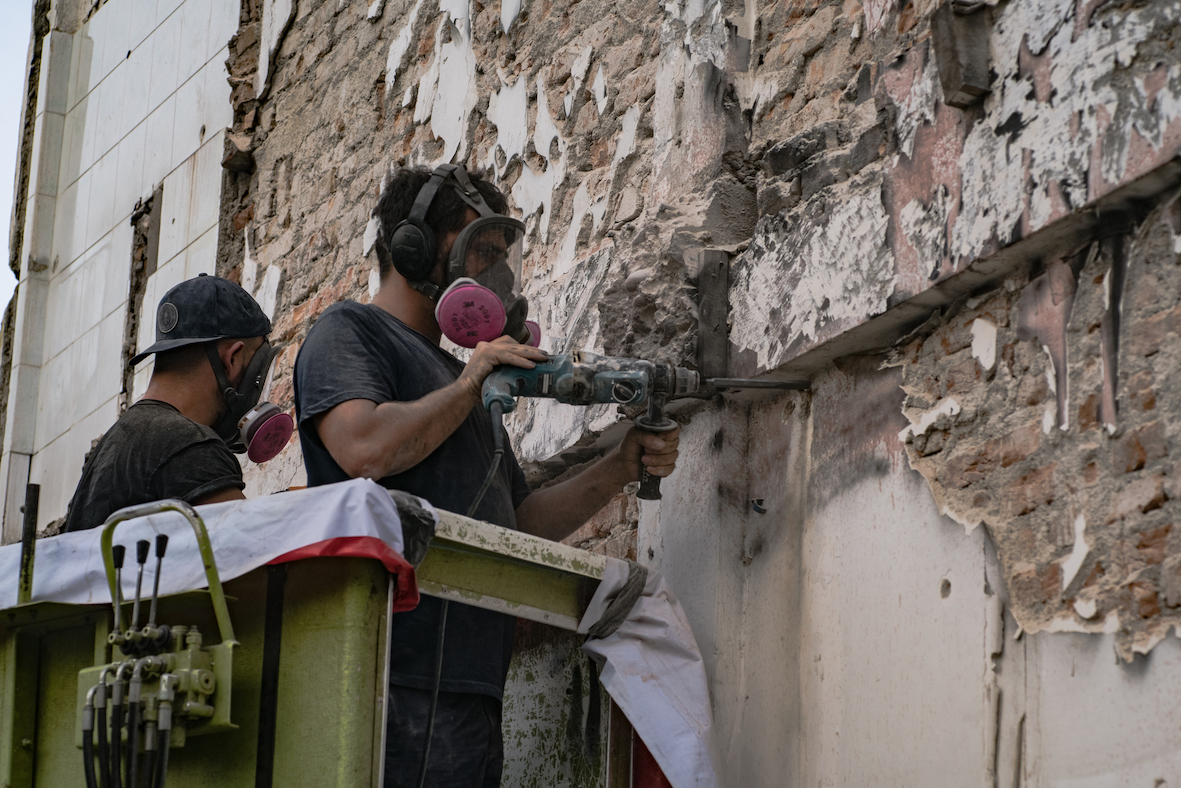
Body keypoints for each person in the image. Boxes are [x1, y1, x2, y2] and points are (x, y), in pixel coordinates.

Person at [293, 164, 680, 787]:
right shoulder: (350, 332)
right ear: (413, 245)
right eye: (483, 250)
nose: (495, 273)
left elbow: (519, 523)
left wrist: (621, 467)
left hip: (472, 686)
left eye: (502, 255)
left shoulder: (461, 379)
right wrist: (473, 382)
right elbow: (363, 449)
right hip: (392, 677)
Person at [64, 274, 287, 532]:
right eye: (257, 368)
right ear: (233, 359)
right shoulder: (192, 448)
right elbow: (255, 557)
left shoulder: (112, 445)